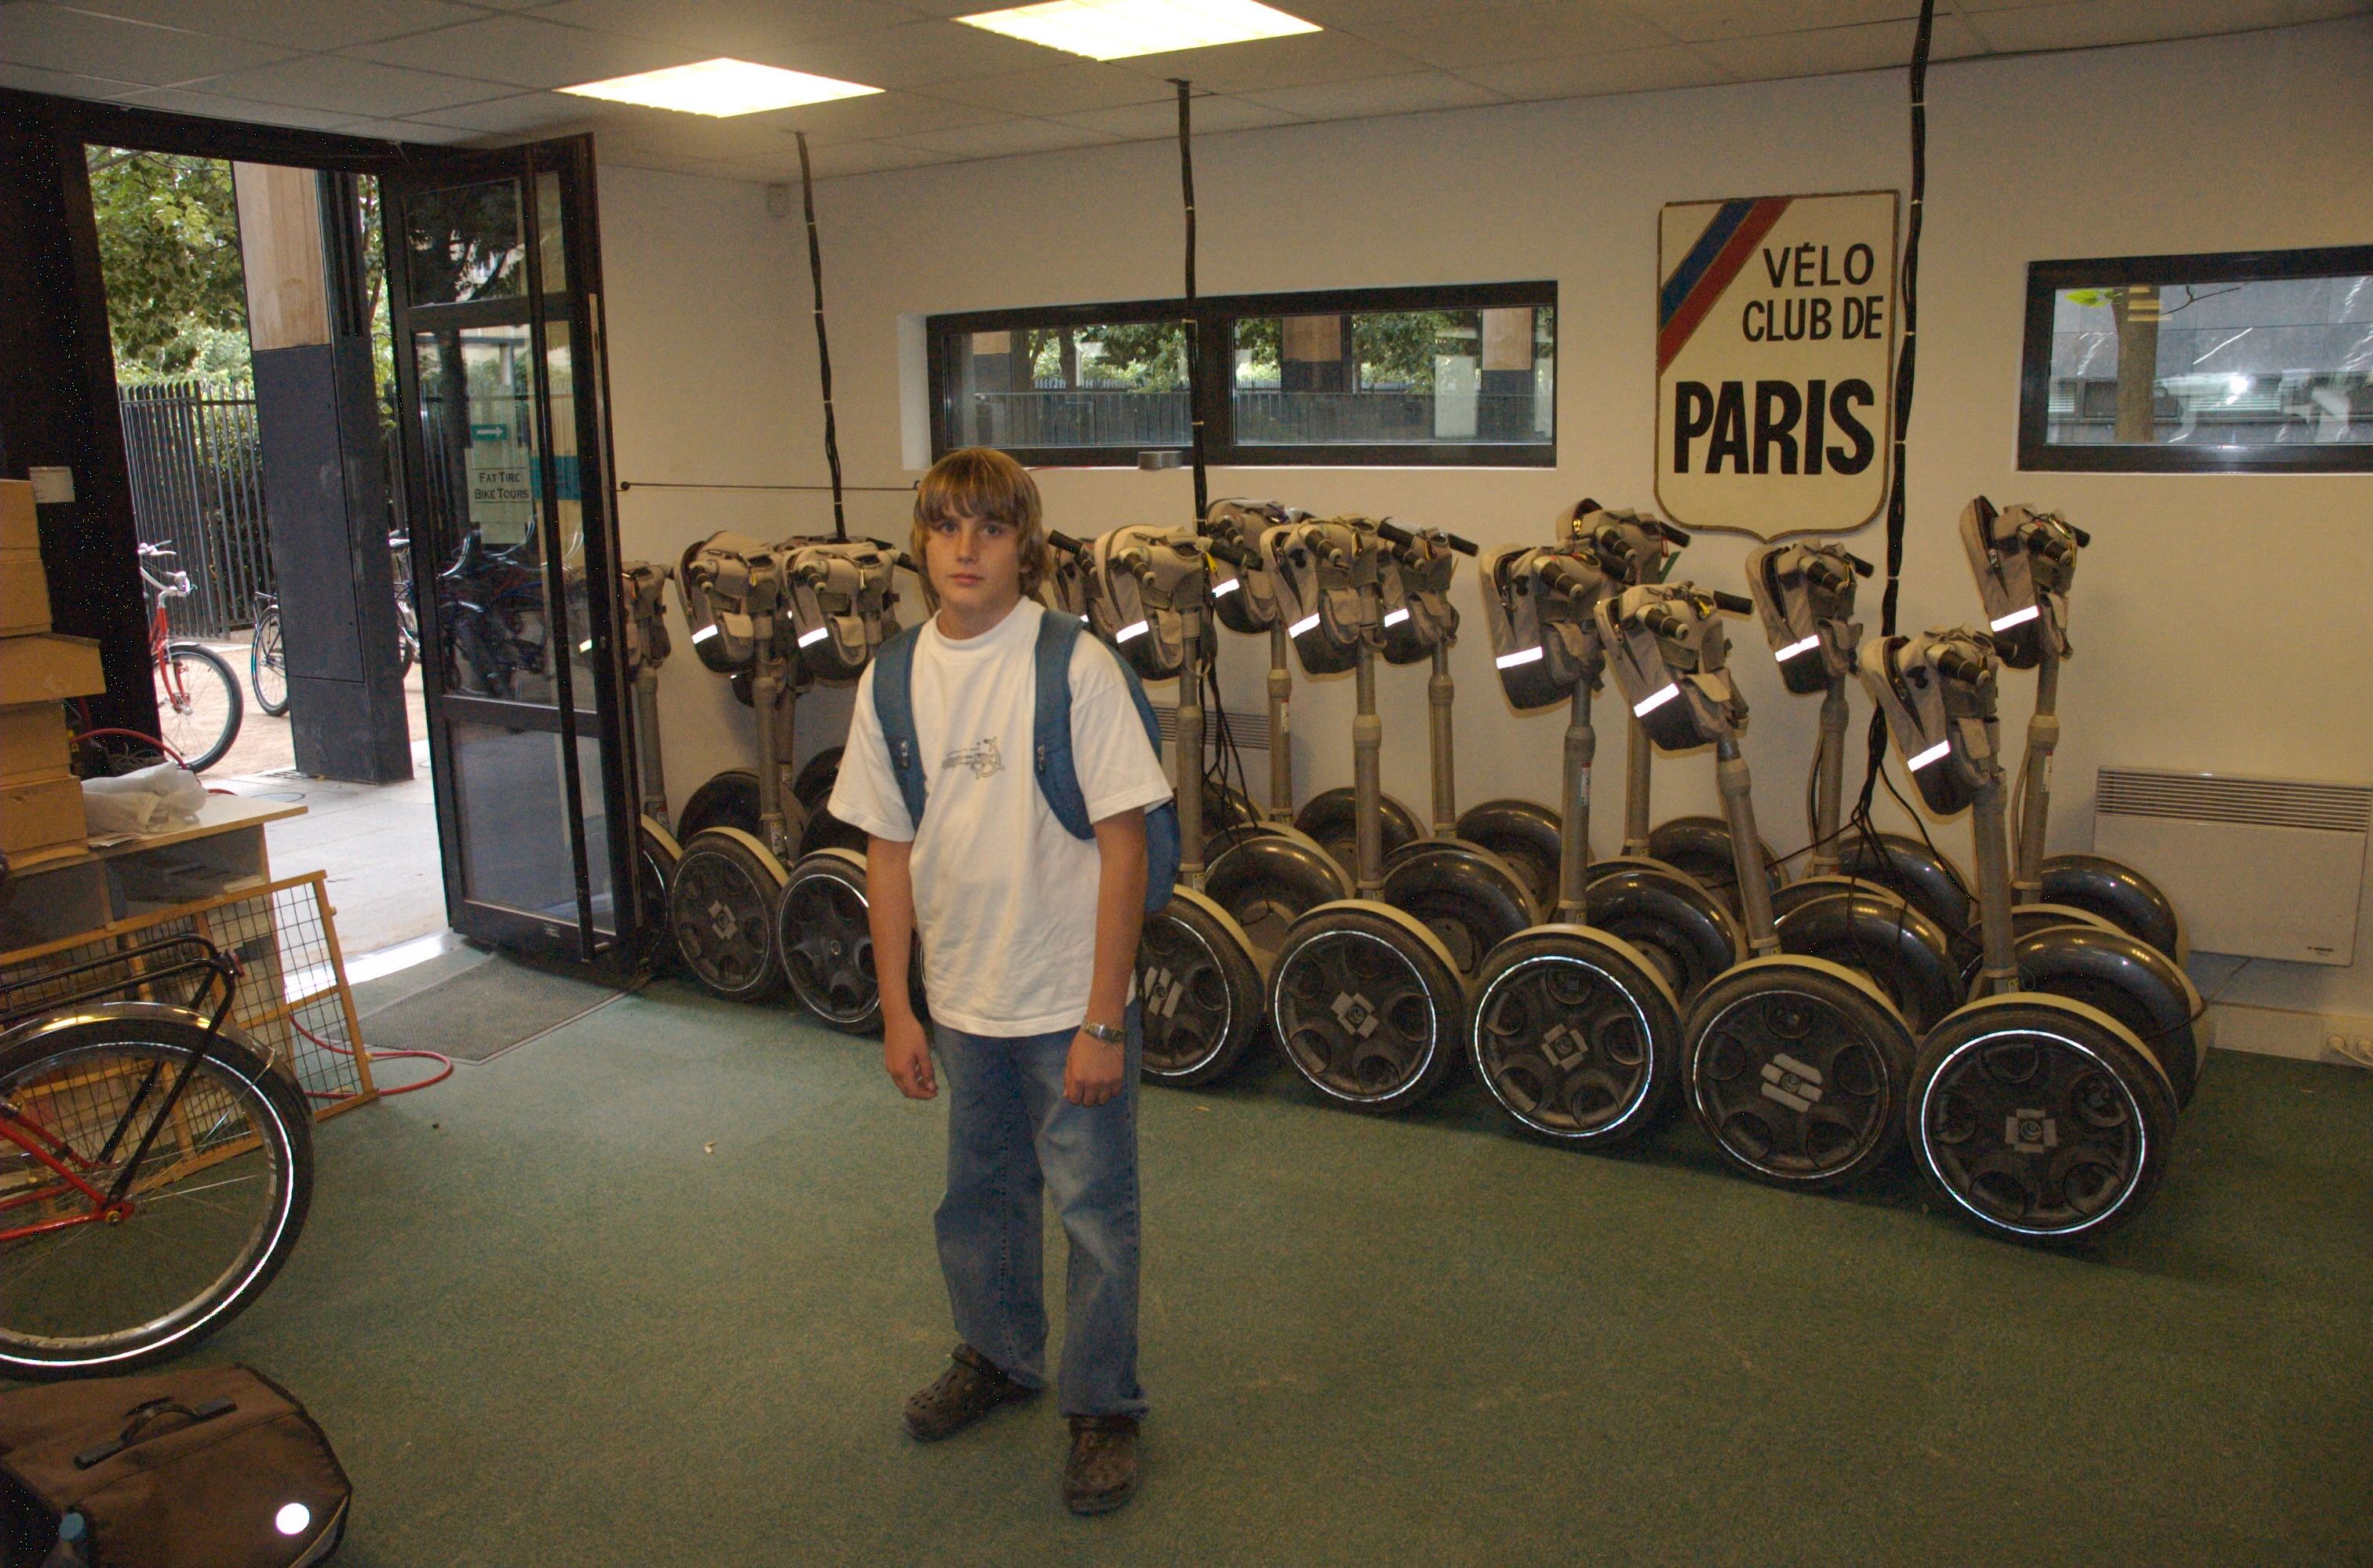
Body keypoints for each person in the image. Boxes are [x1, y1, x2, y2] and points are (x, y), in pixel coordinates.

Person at [827, 447, 1172, 1515]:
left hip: (1071, 1001)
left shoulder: (1074, 667)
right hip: (964, 1001)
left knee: (1094, 1215)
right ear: (921, 544)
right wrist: (900, 1008)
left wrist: (1103, 1019)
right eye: (946, 527)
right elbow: (887, 853)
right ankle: (998, 1355)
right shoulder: (890, 676)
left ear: (1027, 543)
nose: (966, 548)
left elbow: (1125, 846)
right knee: (977, 1202)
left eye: (990, 527)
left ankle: (1104, 1403)